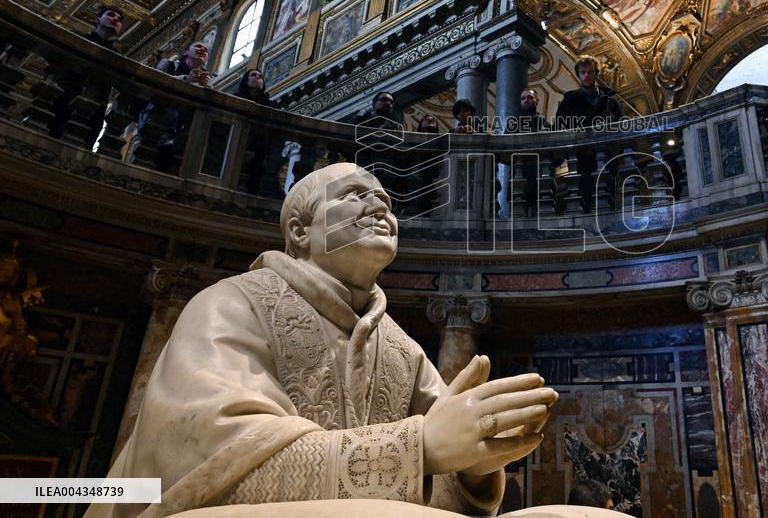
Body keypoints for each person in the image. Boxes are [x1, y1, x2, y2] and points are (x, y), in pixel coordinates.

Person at [87, 163, 558, 517]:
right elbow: (198, 467)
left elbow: (440, 488)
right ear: (299, 230)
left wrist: (474, 465)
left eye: (386, 202)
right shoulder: (231, 304)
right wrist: (420, 448)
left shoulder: (401, 350)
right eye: (355, 196)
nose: (381, 208)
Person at [128, 41, 214, 170]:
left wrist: (206, 86)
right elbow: (155, 82)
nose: (203, 50)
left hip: (184, 131)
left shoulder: (207, 79)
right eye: (198, 46)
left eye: (206, 50)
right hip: (157, 122)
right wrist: (186, 79)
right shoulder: (168, 64)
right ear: (186, 52)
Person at [45, 6, 125, 144]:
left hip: (95, 109)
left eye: (119, 19)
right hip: (64, 97)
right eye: (111, 15)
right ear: (97, 20)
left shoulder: (119, 57)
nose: (116, 18)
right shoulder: (77, 39)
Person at [555, 56, 624, 213]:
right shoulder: (570, 100)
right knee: (584, 194)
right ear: (578, 75)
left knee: (608, 193)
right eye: (583, 72)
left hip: (607, 155)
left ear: (596, 74)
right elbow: (559, 127)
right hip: (582, 157)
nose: (586, 75)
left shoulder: (610, 100)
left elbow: (622, 125)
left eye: (590, 72)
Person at [508, 88, 552, 215]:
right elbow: (504, 150)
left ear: (537, 101)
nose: (526, 100)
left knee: (543, 214)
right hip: (519, 174)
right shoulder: (513, 125)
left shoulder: (546, 125)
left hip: (541, 174)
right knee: (517, 215)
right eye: (523, 98)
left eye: (530, 97)